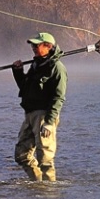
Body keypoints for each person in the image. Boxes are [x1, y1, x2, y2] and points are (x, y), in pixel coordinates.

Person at [11, 31, 67, 181]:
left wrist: (49, 122)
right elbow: (25, 88)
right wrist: (17, 72)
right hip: (29, 115)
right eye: (33, 46)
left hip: (44, 116)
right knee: (21, 155)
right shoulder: (36, 65)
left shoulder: (57, 68)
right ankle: (38, 183)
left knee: (45, 159)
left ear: (48, 46)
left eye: (37, 45)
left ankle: (49, 193)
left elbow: (58, 98)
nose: (34, 48)